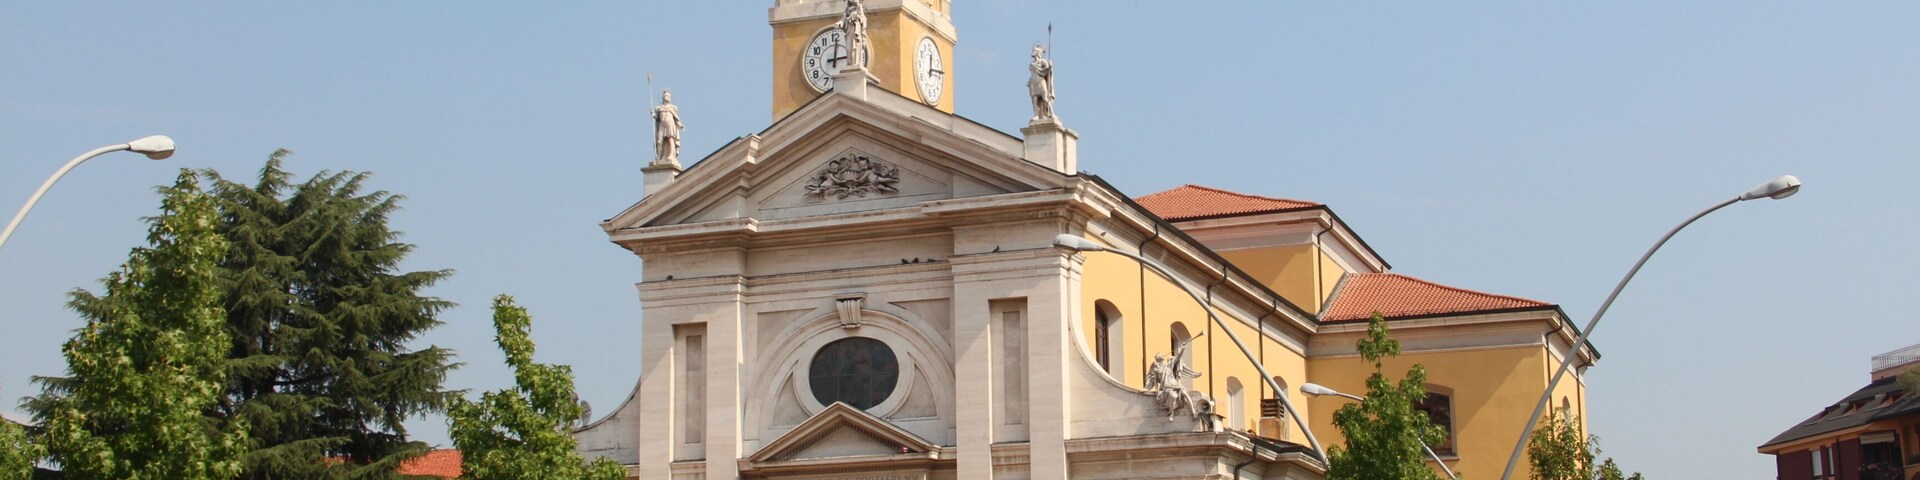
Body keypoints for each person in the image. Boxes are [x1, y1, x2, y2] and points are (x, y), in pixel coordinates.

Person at [653, 90, 684, 165]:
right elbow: (657, 118)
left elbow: (676, 117)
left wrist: (679, 124)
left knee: (670, 139)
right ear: (663, 97)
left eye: (669, 96)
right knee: (659, 141)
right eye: (667, 96)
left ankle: (671, 155)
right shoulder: (659, 108)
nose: (668, 97)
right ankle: (659, 157)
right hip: (662, 125)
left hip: (670, 124)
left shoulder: (671, 108)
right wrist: (653, 115)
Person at [1027, 43, 1055, 122]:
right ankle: (1036, 115)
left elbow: (1047, 70)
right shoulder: (1031, 64)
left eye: (1034, 51)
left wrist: (1050, 66)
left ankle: (1051, 113)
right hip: (1033, 82)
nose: (1032, 52)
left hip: (1041, 81)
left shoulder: (1043, 61)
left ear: (1038, 53)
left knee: (1045, 98)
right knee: (1034, 100)